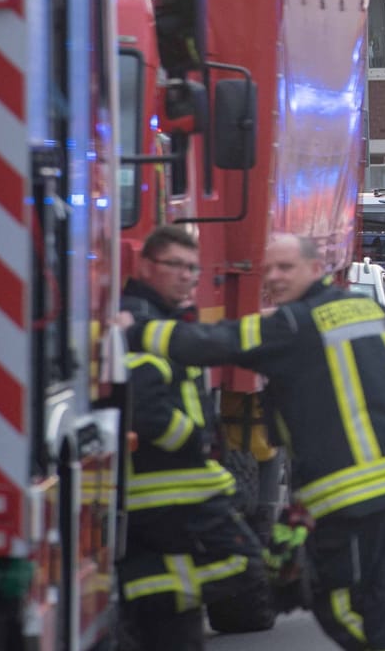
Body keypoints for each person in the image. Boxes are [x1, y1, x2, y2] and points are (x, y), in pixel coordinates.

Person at [126, 232, 385, 650]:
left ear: (315, 269)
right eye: (268, 269)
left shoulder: (287, 325)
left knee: (344, 607)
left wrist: (138, 330)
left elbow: (212, 343)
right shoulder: (361, 308)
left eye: (285, 268)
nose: (272, 277)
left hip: (348, 498)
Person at [118, 225, 266, 650]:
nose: (186, 276)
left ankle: (145, 598)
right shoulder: (139, 319)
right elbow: (145, 407)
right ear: (147, 266)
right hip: (166, 485)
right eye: (175, 266)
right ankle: (129, 592)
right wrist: (191, 439)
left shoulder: (162, 318)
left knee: (177, 627)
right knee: (244, 562)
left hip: (172, 486)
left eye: (192, 268)